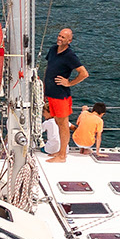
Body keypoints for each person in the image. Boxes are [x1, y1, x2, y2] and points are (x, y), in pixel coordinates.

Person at [42, 28, 89, 163]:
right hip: (51, 93)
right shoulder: (52, 50)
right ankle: (60, 151)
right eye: (59, 35)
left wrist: (69, 83)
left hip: (60, 95)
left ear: (69, 41)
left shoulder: (70, 55)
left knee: (63, 124)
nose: (60, 38)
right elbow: (49, 68)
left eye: (63, 37)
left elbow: (84, 73)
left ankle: (62, 155)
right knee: (57, 122)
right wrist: (45, 87)